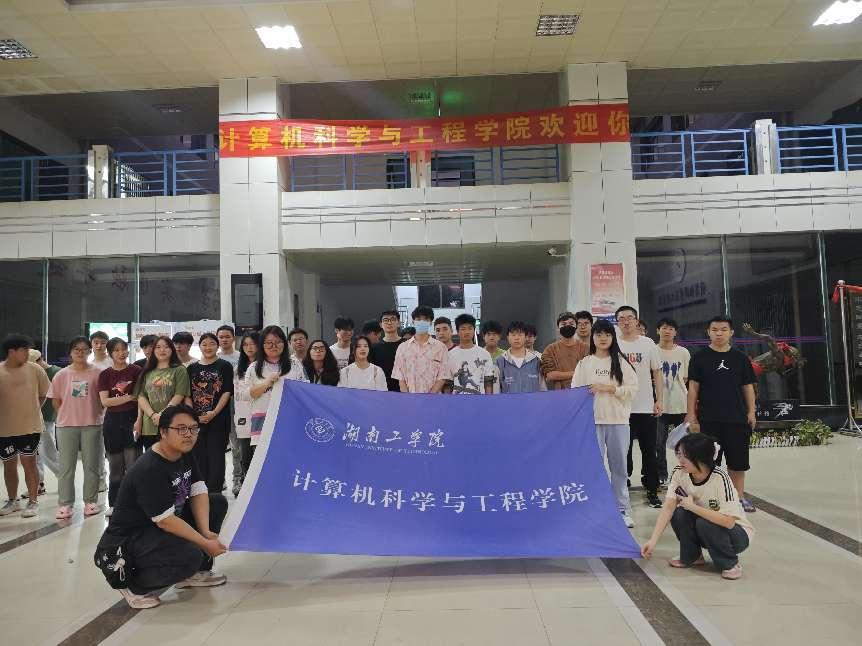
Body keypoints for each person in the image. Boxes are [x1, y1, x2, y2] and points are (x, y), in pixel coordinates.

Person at [94, 404, 228, 610]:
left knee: (216, 502)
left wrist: (205, 532)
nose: (188, 434)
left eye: (193, 428)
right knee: (190, 555)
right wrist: (203, 543)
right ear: (163, 432)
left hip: (159, 526)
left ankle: (192, 573)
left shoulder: (184, 451)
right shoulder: (149, 468)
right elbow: (165, 521)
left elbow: (198, 489)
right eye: (181, 429)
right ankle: (133, 584)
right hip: (131, 540)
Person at [641, 433, 754, 580]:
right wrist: (652, 541)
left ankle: (730, 563)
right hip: (705, 527)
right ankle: (692, 556)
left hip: (736, 534)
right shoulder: (679, 473)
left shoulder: (720, 477)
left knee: (704, 523)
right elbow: (668, 508)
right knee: (679, 513)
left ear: (701, 458)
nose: (680, 460)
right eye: (679, 454)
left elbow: (728, 522)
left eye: (685, 456)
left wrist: (692, 507)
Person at [686, 316, 757, 513]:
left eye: (723, 329)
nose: (719, 333)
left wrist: (751, 412)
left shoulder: (740, 358)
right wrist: (691, 415)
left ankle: (738, 498)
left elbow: (748, 387)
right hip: (708, 420)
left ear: (731, 333)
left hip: (736, 419)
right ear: (708, 332)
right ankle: (710, 498)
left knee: (738, 462)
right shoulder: (699, 357)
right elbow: (693, 388)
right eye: (715, 329)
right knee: (708, 462)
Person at [573, 319, 638, 528]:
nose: (603, 338)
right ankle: (594, 509)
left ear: (613, 338)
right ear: (592, 337)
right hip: (592, 424)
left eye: (607, 334)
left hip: (618, 421)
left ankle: (622, 509)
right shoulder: (585, 363)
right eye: (599, 334)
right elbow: (575, 392)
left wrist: (609, 388)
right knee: (594, 468)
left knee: (619, 468)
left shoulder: (621, 362)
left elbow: (632, 390)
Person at [48, 336, 105, 519]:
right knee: (66, 467)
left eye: (84, 349)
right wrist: (65, 415)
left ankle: (90, 502)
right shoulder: (61, 375)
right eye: (76, 349)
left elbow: (102, 398)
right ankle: (65, 504)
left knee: (92, 466)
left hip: (92, 425)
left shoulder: (98, 373)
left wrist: (96, 412)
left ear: (89, 351)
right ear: (70, 352)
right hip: (66, 426)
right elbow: (55, 400)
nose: (80, 352)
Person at [616, 305, 664, 509]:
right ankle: (623, 487)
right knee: (623, 451)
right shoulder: (614, 343)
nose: (626, 321)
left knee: (649, 450)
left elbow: (657, 372)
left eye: (629, 318)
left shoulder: (648, 343)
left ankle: (652, 489)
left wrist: (659, 399)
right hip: (621, 408)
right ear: (617, 323)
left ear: (636, 321)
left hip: (646, 407)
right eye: (621, 318)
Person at [0, 335, 49, 518]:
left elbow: (44, 394)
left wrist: (32, 410)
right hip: (5, 428)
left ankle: (33, 501)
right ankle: (12, 501)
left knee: (29, 463)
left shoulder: (35, 369)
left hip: (30, 427)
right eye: (24, 350)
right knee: (9, 465)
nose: (28, 353)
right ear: (12, 352)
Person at [98, 338, 142, 516]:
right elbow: (105, 401)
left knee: (133, 466)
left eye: (124, 349)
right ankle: (114, 503)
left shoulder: (136, 371)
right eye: (116, 350)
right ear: (110, 354)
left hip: (132, 419)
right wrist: (129, 397)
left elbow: (140, 398)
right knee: (115, 468)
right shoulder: (105, 374)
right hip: (112, 422)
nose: (121, 353)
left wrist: (138, 418)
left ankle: (134, 504)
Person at [247, 326, 308, 450]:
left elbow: (305, 390)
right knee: (263, 460)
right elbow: (250, 394)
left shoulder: (295, 364)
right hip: (263, 422)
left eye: (278, 342)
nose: (274, 346)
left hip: (290, 420)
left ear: (284, 344)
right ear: (262, 345)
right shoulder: (253, 368)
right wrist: (267, 383)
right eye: (269, 342)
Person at [188, 333, 233, 493]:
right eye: (204, 344)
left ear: (217, 346)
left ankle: (215, 492)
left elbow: (227, 392)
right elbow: (187, 395)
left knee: (216, 456)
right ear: (199, 346)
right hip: (196, 420)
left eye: (212, 343)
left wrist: (213, 413)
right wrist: (194, 416)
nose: (208, 347)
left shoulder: (225, 366)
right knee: (198, 456)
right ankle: (200, 492)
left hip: (219, 419)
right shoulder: (191, 368)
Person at [136, 336, 191, 450]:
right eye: (158, 347)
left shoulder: (179, 370)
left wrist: (162, 415)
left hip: (171, 423)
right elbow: (141, 396)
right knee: (152, 457)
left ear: (172, 349)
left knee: (171, 456)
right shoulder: (147, 371)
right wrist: (153, 415)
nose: (162, 350)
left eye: (166, 347)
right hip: (150, 424)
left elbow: (179, 394)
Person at [655, 318, 690, 487]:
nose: (667, 331)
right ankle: (662, 475)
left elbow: (685, 378)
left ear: (675, 332)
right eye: (664, 328)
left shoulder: (683, 352)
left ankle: (686, 473)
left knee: (684, 443)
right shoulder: (652, 351)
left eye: (671, 328)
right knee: (658, 443)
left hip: (680, 404)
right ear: (658, 330)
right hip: (659, 405)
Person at [392, 306, 449, 394]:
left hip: (434, 398)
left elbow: (442, 376)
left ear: (430, 323)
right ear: (413, 322)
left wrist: (428, 397)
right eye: (418, 319)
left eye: (425, 319)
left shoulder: (441, 348)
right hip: (409, 399)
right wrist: (407, 397)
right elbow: (400, 377)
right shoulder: (403, 348)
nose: (422, 322)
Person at [216, 325, 242, 496]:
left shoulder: (241, 357)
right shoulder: (215, 357)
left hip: (237, 402)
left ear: (233, 338)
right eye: (221, 337)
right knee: (218, 444)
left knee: (236, 444)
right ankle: (220, 480)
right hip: (218, 404)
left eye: (227, 336)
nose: (224, 339)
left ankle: (237, 479)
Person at [30, 350, 59, 495]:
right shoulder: (33, 373)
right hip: (32, 418)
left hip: (47, 418)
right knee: (35, 453)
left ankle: (64, 479)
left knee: (48, 451)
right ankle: (38, 484)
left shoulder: (57, 372)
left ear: (38, 361)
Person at [233, 332, 258, 489]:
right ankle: (246, 486)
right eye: (245, 345)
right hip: (243, 415)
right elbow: (238, 395)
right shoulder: (238, 369)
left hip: (261, 414)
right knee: (245, 453)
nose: (249, 347)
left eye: (252, 344)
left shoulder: (264, 366)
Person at [447, 314, 494, 395]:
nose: (467, 332)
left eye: (470, 328)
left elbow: (488, 383)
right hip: (456, 400)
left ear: (474, 330)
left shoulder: (484, 354)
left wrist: (488, 400)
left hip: (480, 400)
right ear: (457, 331)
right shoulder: (450, 355)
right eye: (463, 329)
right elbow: (448, 385)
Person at [541, 311, 590, 390]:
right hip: (559, 394)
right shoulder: (550, 350)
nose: (567, 326)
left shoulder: (586, 348)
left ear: (576, 327)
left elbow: (590, 371)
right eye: (563, 324)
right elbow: (550, 375)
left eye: (571, 324)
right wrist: (576, 373)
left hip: (582, 392)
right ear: (558, 328)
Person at [496, 321, 547, 393]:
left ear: (525, 337)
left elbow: (542, 387)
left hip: (532, 400)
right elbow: (496, 389)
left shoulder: (536, 361)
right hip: (508, 400)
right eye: (513, 335)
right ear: (508, 337)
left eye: (520, 335)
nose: (516, 338)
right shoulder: (500, 361)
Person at [369, 310, 404, 392]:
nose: (389, 322)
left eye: (393, 319)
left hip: (404, 390)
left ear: (399, 323)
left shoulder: (407, 345)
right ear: (381, 325)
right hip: (382, 391)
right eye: (385, 320)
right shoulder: (374, 347)